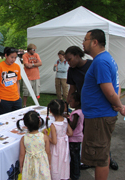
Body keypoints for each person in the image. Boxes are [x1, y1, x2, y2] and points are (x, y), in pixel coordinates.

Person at [65, 45, 119, 171]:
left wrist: (117, 103)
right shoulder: (71, 70)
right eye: (67, 60)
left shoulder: (94, 64)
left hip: (98, 108)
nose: (68, 62)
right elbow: (72, 89)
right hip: (83, 106)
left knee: (101, 138)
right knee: (88, 135)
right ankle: (91, 159)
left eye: (70, 59)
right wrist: (66, 105)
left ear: (78, 56)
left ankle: (108, 158)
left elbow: (110, 83)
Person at [81, 29, 125, 180]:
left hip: (99, 117)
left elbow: (110, 91)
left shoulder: (100, 61)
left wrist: (119, 105)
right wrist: (117, 103)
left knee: (99, 158)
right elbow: (116, 85)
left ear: (94, 42)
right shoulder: (107, 58)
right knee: (103, 153)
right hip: (100, 115)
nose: (83, 42)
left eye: (85, 39)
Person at [17, 110, 51, 180]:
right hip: (42, 164)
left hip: (29, 165)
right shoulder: (44, 137)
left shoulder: (24, 139)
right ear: (39, 123)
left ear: (25, 125)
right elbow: (48, 152)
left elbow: (22, 155)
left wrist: (21, 166)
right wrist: (49, 164)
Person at [45, 99, 73, 180]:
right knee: (63, 162)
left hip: (56, 148)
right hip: (64, 145)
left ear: (50, 111)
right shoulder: (65, 120)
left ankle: (56, 177)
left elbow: (54, 141)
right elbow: (71, 133)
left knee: (56, 162)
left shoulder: (53, 125)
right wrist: (63, 135)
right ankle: (63, 176)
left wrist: (47, 136)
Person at [0, 47, 22, 115]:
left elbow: (17, 82)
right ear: (6, 55)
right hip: (4, 100)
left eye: (15, 57)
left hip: (17, 99)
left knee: (17, 119)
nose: (13, 60)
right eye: (11, 57)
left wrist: (19, 95)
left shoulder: (17, 66)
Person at [67, 92, 84, 180]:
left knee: (74, 158)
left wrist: (66, 121)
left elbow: (73, 126)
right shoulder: (81, 111)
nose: (69, 102)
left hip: (74, 139)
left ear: (77, 102)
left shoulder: (76, 113)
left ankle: (74, 176)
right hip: (78, 137)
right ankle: (76, 173)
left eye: (71, 100)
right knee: (76, 157)